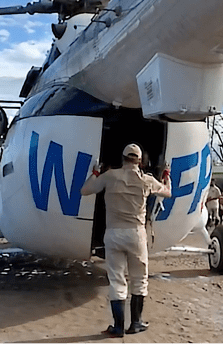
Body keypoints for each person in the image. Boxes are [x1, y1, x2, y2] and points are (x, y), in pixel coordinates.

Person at [81, 144, 172, 337]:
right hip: (136, 234)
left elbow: (85, 190)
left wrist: (96, 172)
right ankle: (136, 322)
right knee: (139, 279)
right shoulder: (146, 180)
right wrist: (166, 175)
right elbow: (167, 192)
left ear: (122, 158)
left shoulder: (110, 176)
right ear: (139, 161)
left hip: (113, 233)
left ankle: (118, 326)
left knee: (117, 280)